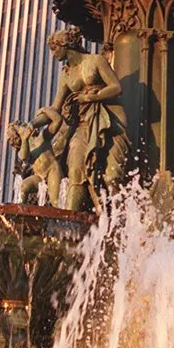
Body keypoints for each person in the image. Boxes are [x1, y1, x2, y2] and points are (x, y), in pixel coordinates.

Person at [46, 26, 130, 212]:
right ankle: (69, 222)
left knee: (112, 177)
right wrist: (34, 123)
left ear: (65, 45)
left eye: (54, 48)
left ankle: (119, 220)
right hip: (84, 125)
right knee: (75, 168)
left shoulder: (95, 61)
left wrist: (93, 97)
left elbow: (116, 87)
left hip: (110, 121)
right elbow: (55, 108)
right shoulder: (66, 75)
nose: (52, 54)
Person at [6, 117, 64, 206]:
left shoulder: (42, 137)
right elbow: (24, 157)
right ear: (17, 136)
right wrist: (25, 139)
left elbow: (57, 120)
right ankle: (20, 212)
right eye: (20, 127)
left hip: (52, 171)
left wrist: (45, 110)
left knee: (56, 202)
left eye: (22, 124)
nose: (24, 126)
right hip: (39, 177)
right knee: (24, 186)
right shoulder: (25, 149)